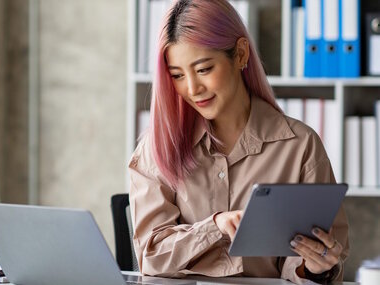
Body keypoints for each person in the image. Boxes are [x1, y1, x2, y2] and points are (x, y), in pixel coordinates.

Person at [128, 0, 349, 284]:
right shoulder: (156, 148)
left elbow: (309, 263)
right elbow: (151, 256)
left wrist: (317, 268)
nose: (192, 89)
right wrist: (214, 226)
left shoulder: (300, 147)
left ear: (241, 54)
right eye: (178, 76)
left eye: (204, 69)